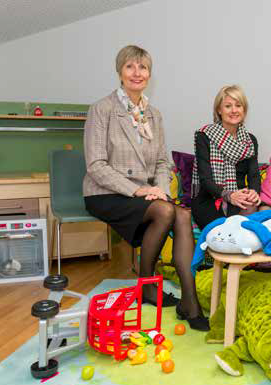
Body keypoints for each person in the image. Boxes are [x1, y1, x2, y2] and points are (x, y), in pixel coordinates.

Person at [83, 45, 209, 331]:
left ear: (150, 74)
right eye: (130, 67)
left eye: (143, 68)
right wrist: (139, 190)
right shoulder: (102, 109)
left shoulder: (154, 114)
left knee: (183, 215)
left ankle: (189, 300)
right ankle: (147, 285)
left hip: (148, 195)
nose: (137, 73)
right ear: (120, 72)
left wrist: (160, 189)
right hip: (105, 193)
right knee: (166, 213)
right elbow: (96, 165)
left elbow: (163, 162)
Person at [191, 85, 267, 230]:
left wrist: (253, 192)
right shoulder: (204, 136)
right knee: (237, 225)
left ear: (244, 110)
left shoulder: (250, 140)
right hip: (210, 198)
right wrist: (229, 195)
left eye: (238, 105)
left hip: (238, 196)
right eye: (228, 106)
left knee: (261, 210)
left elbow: (254, 176)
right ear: (219, 110)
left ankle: (242, 244)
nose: (234, 110)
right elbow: (205, 179)